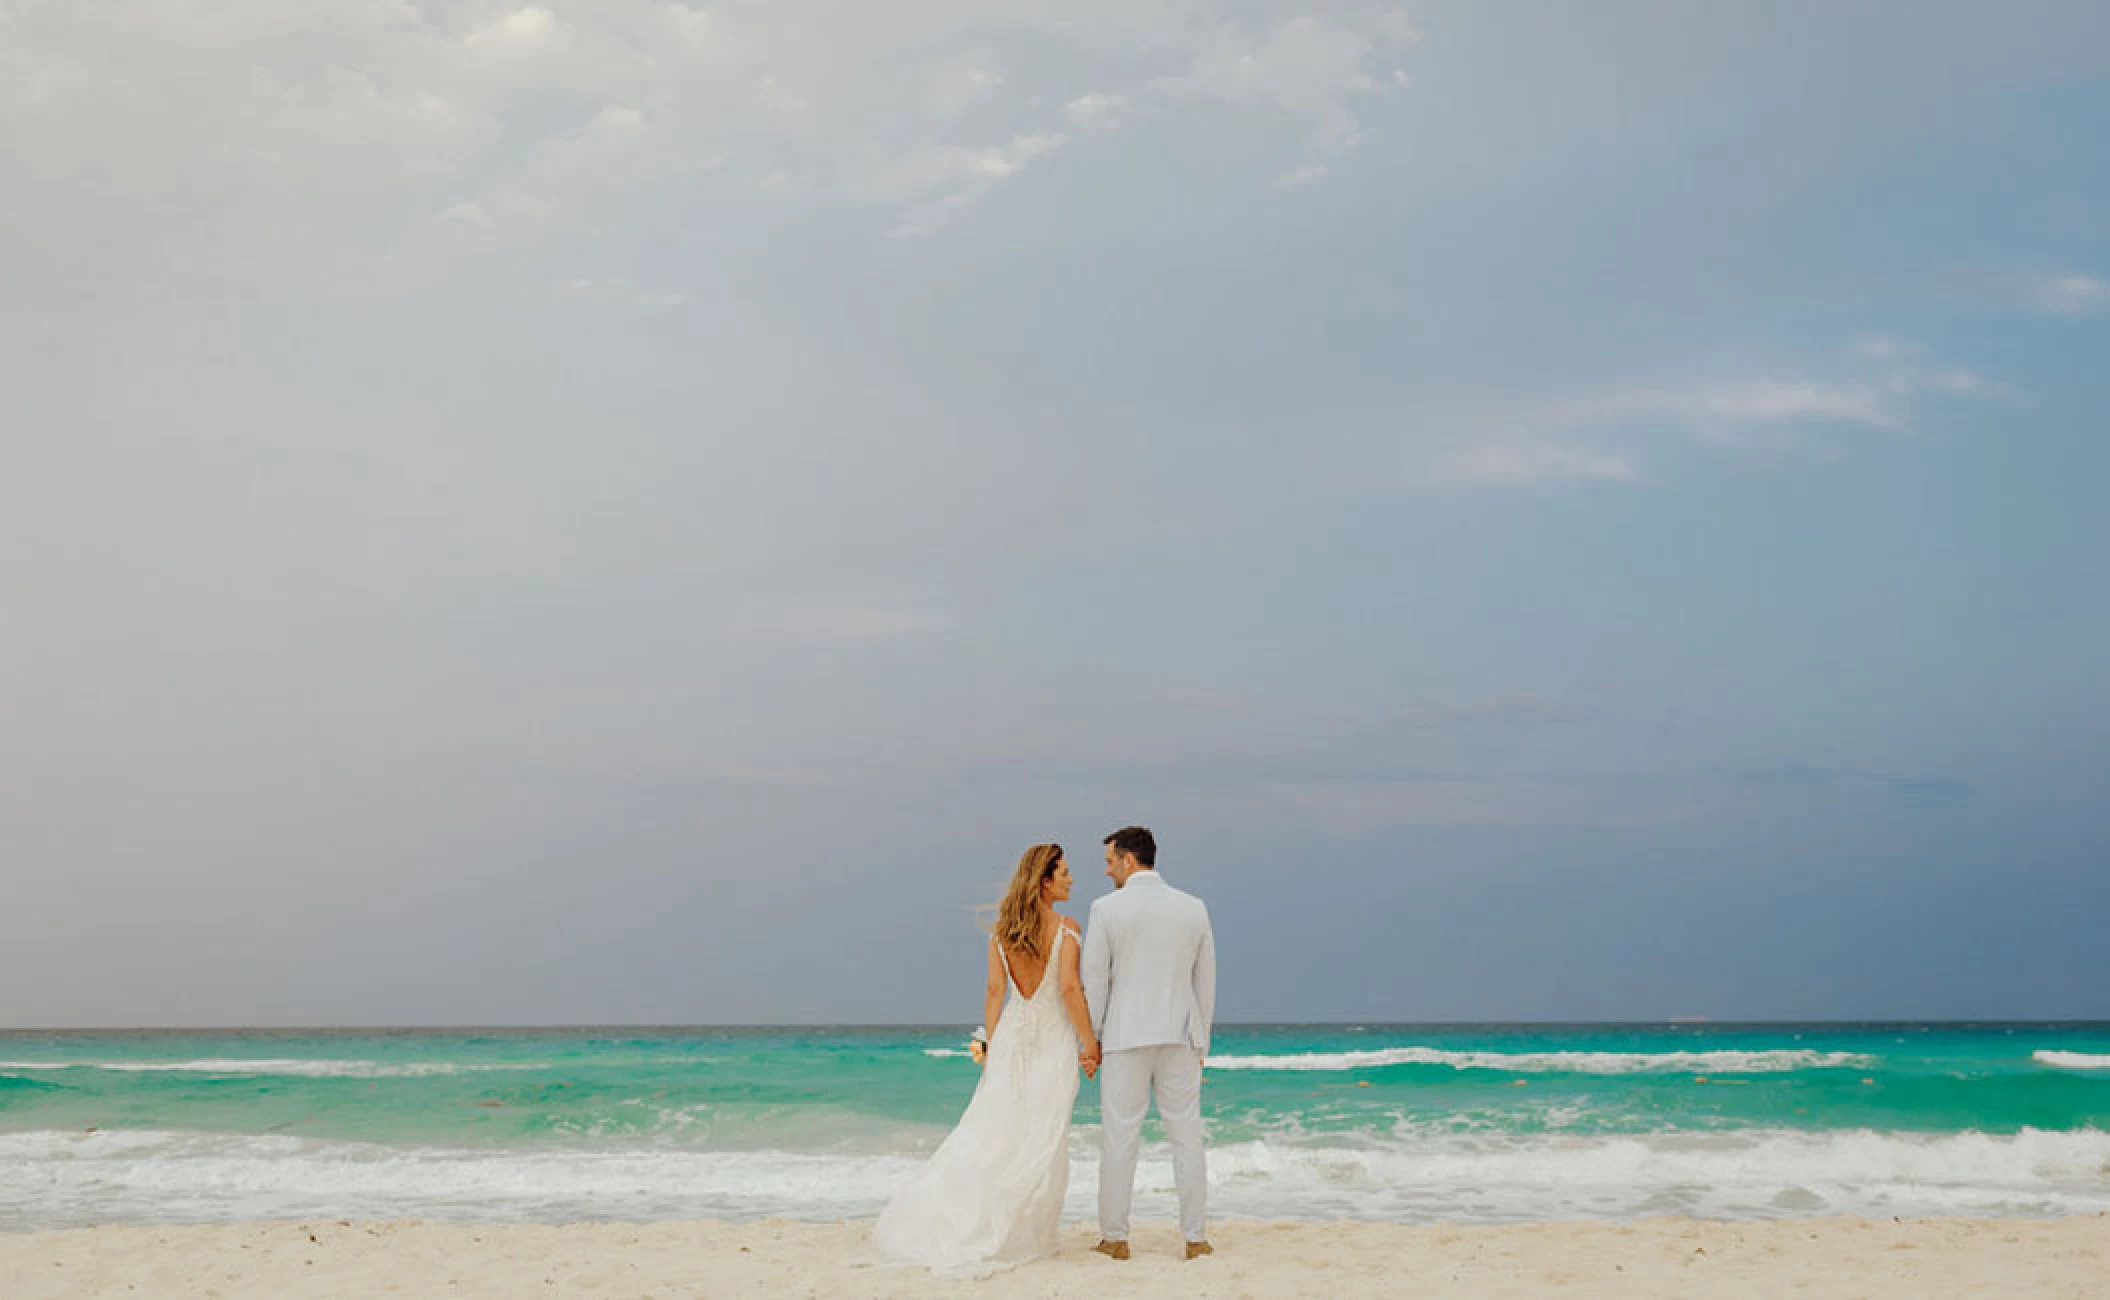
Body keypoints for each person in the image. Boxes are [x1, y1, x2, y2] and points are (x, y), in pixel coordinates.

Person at [872, 844, 1102, 1273]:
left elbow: (996, 993)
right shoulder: (1067, 929)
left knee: (998, 1129)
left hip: (1014, 1035)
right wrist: (1091, 1044)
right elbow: (1070, 990)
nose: (1072, 879)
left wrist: (996, 1048)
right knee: (1042, 1136)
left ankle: (985, 1217)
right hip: (1053, 1040)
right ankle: (1024, 1231)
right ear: (1045, 880)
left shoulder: (1002, 933)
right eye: (1065, 873)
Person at [1081, 825, 1217, 1261]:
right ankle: (1195, 1239)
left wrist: (1092, 1040)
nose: (1106, 871)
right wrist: (1202, 1042)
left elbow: (1095, 981)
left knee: (1120, 1138)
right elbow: (1205, 981)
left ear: (1128, 859)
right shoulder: (1193, 908)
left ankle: (1115, 1238)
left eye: (1109, 861)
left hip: (1124, 1035)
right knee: (1187, 1137)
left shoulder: (1105, 910)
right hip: (1180, 1034)